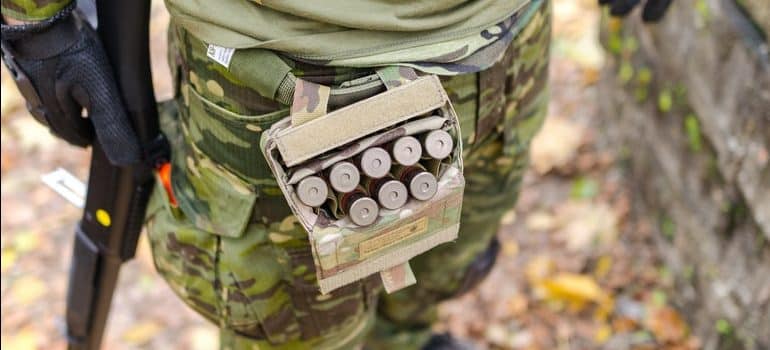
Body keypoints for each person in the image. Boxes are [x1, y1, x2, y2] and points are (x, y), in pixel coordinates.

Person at [1, 0, 670, 349]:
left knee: (447, 266)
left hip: (509, 38)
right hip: (289, 71)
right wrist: (37, 17)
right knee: (293, 330)